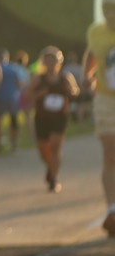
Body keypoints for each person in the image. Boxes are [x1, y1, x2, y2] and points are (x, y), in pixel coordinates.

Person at [81, 0, 115, 237]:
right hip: (106, 98)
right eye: (106, 9)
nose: (110, 13)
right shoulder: (96, 32)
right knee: (110, 152)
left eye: (113, 8)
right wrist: (87, 74)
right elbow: (91, 52)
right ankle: (112, 210)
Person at [30, 47, 79, 193]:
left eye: (53, 60)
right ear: (44, 62)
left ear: (59, 62)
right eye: (48, 60)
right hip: (42, 117)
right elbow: (28, 95)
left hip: (59, 117)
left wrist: (71, 91)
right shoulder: (39, 79)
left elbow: (75, 91)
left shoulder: (66, 77)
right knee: (43, 149)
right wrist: (40, 93)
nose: (51, 63)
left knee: (55, 147)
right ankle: (50, 167)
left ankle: (54, 178)